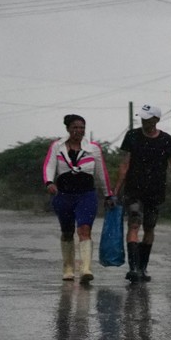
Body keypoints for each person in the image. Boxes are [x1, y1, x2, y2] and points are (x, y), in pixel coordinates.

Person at [115, 103, 171, 282]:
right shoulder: (132, 136)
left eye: (148, 118)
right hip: (134, 189)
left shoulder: (166, 140)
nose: (144, 121)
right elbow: (125, 164)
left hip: (155, 190)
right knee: (133, 225)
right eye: (142, 118)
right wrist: (116, 190)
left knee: (149, 228)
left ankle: (143, 267)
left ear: (156, 119)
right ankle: (133, 268)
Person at [43, 114, 114, 282]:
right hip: (64, 195)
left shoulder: (93, 148)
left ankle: (85, 269)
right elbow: (49, 165)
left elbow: (101, 173)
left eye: (82, 127)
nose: (79, 131)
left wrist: (108, 194)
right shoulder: (57, 146)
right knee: (67, 232)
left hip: (86, 195)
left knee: (84, 229)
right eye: (75, 127)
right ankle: (68, 268)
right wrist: (49, 182)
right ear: (68, 129)